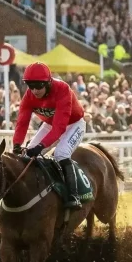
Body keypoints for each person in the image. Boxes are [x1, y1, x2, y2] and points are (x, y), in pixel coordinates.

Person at [11, 62, 86, 209]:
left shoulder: (62, 89)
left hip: (73, 124)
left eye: (38, 85)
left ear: (48, 82)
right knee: (28, 153)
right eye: (30, 85)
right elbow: (22, 123)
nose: (34, 90)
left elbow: (59, 128)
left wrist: (41, 146)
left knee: (61, 153)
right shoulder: (28, 96)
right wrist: (17, 145)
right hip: (50, 124)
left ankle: (73, 195)